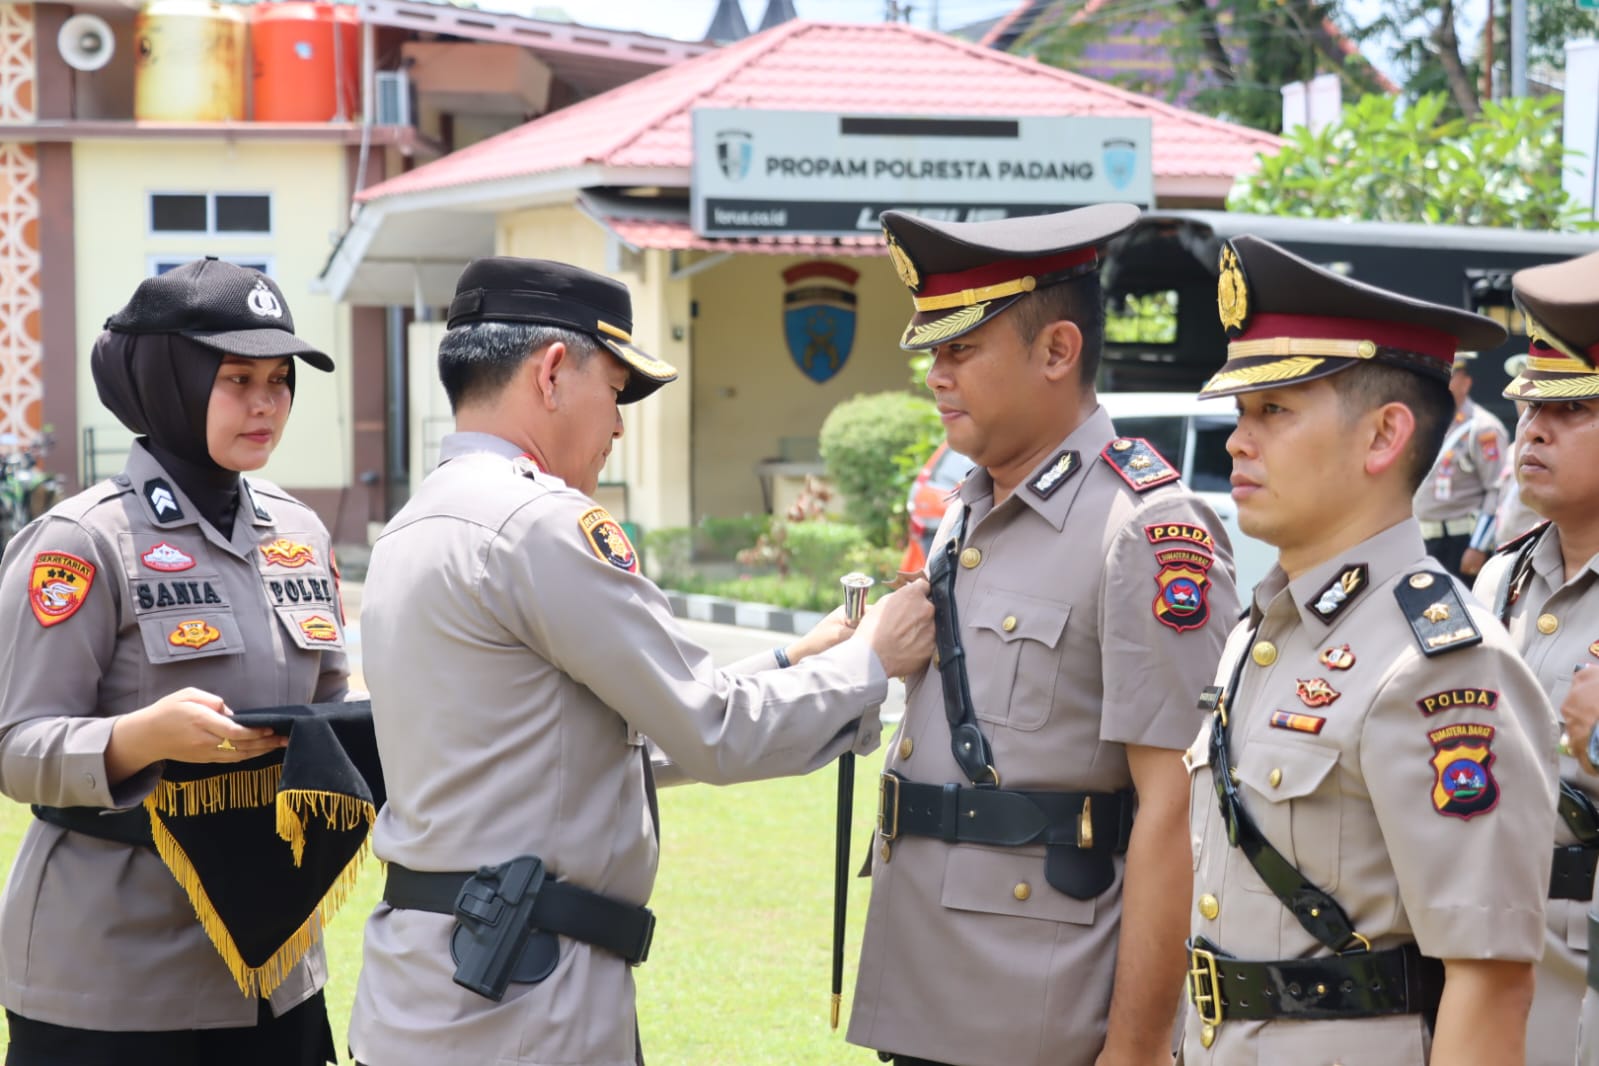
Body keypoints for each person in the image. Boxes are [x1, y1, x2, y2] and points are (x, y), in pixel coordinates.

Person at [346, 257, 935, 1066]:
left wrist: (793, 659)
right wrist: (869, 660)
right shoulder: (539, 521)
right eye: (615, 392)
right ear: (552, 372)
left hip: (429, 987)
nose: (618, 428)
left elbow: (582, 744)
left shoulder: (414, 524)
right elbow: (712, 730)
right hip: (523, 1005)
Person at [846, 205, 1241, 1066]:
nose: (936, 377)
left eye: (961, 349)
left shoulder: (1142, 531)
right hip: (928, 988)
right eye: (934, 353)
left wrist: (1136, 1047)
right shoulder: (972, 506)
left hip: (1037, 1011)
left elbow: (1176, 807)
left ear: (1057, 351)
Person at [1183, 235, 1557, 1066]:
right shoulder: (1263, 630)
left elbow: (1490, 982)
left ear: (1384, 435)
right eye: (1241, 414)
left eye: (1273, 411)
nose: (1237, 441)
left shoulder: (1439, 664)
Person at [0, 258, 350, 1065]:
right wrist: (139, 738)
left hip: (274, 963)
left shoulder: (300, 533)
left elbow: (330, 707)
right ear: (169, 383)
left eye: (280, 380)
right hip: (115, 972)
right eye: (237, 379)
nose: (266, 403)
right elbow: (16, 747)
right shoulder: (82, 541)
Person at [1491, 249, 1599, 1066]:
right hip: (1497, 943)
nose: (1533, 429)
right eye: (1530, 405)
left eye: (1570, 409)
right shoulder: (1500, 578)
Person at [1413, 350, 1509, 580]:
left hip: (1459, 542)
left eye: (1449, 376)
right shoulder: (1425, 422)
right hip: (1424, 540)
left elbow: (1496, 490)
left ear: (1465, 383)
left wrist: (1478, 546)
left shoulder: (1483, 429)